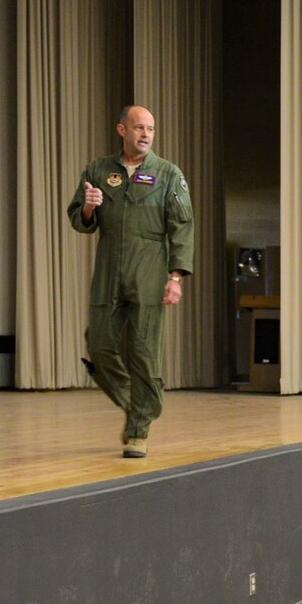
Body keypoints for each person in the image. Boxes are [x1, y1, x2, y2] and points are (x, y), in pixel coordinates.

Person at [68, 105, 194, 458]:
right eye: (139, 127)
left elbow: (182, 227)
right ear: (121, 130)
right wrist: (90, 207)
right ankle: (138, 402)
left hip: (150, 269)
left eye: (151, 129)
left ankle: (138, 429)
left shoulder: (167, 174)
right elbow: (79, 218)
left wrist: (175, 276)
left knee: (142, 351)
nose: (146, 135)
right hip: (109, 266)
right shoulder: (98, 170)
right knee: (99, 344)